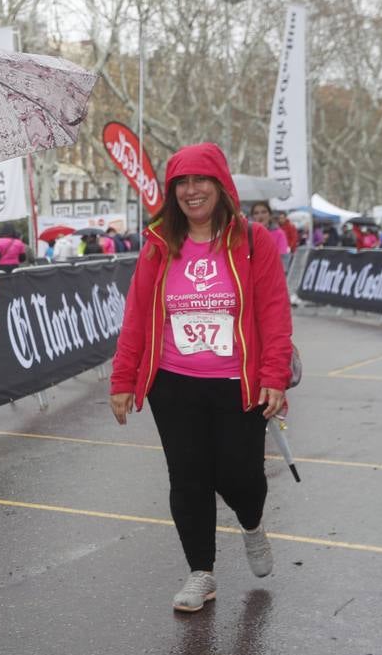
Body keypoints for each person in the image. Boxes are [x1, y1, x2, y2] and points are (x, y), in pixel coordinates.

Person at [108, 142, 293, 613]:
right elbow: (136, 315)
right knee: (188, 478)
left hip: (239, 383)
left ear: (220, 185)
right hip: (174, 382)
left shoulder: (253, 242)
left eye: (199, 181)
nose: (191, 191)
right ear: (172, 193)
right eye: (181, 184)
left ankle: (252, 523)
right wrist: (122, 379)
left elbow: (274, 313)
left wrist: (273, 374)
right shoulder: (158, 245)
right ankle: (201, 572)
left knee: (241, 475)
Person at [250, 202, 290, 273]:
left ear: (270, 215)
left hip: (273, 275)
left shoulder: (279, 233)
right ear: (252, 217)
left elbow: (283, 258)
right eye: (256, 213)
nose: (260, 216)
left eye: (264, 212)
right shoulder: (248, 234)